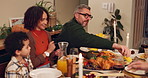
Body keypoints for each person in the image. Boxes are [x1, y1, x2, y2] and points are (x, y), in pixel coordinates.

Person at [56, 4, 131, 57]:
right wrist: (115, 45)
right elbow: (87, 39)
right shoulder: (71, 26)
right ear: (76, 15)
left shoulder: (75, 25)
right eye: (85, 15)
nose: (88, 19)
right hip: (64, 61)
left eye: (89, 16)